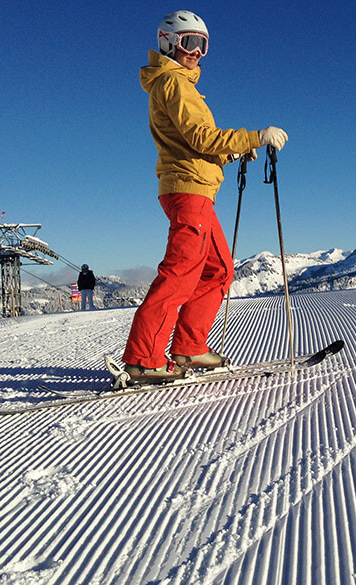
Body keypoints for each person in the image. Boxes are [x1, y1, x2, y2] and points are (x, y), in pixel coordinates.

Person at [121, 9, 288, 383]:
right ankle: (142, 358)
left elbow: (194, 143)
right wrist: (253, 137)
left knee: (218, 270)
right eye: (188, 42)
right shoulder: (175, 84)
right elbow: (200, 137)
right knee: (181, 274)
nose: (196, 51)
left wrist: (232, 152)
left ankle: (188, 347)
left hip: (193, 188)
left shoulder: (178, 84)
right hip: (188, 191)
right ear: (167, 42)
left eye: (203, 44)